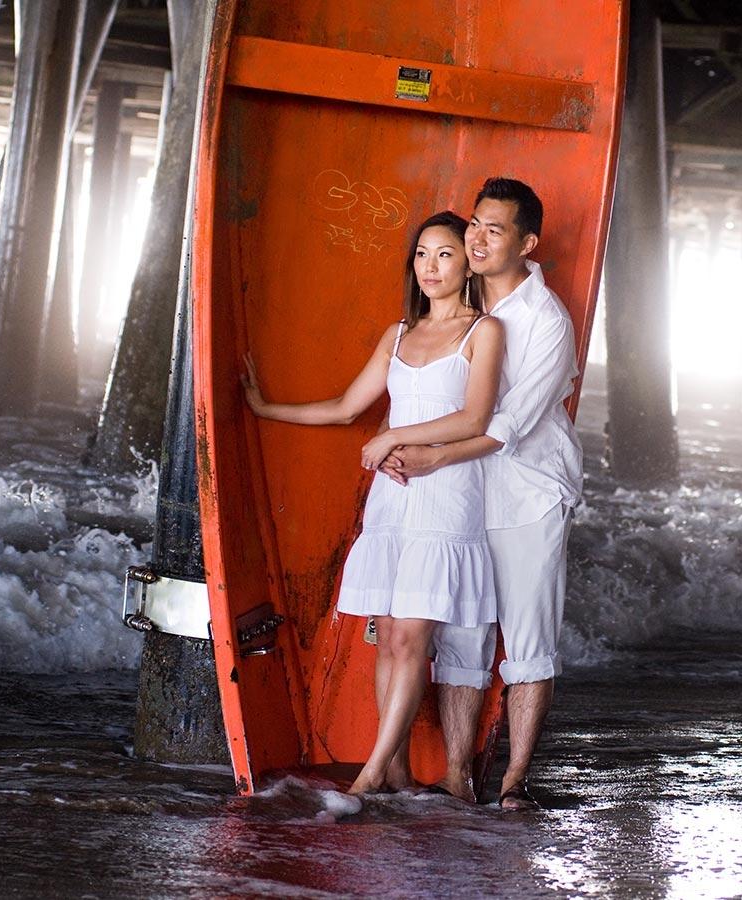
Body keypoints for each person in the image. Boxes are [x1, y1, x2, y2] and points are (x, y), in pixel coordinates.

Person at [242, 211, 506, 796]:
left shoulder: (482, 331)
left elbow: (475, 417)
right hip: (392, 501)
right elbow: (344, 406)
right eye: (420, 255)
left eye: (443, 254)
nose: (430, 267)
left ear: (466, 263)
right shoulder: (398, 333)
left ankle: (364, 777)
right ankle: (395, 774)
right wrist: (266, 409)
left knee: (412, 638)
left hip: (445, 496)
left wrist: (394, 437)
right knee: (388, 638)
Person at [382, 178, 580, 810]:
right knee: (463, 639)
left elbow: (507, 425)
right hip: (464, 494)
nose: (477, 237)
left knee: (527, 641)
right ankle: (457, 776)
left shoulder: (545, 321)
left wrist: (428, 453)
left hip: (527, 495)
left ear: (527, 243)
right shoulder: (459, 311)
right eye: (474, 223)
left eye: (495, 229)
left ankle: (515, 780)